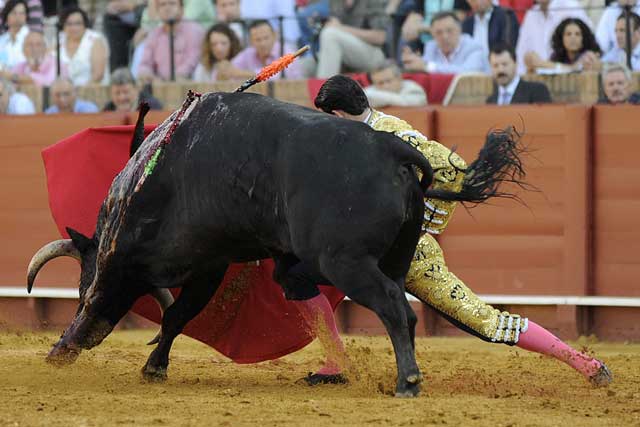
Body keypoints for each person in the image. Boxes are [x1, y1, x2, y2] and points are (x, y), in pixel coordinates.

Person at [304, 74, 613, 388]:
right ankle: (335, 362)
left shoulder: (390, 134)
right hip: (364, 252)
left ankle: (580, 361)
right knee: (295, 272)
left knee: (483, 320)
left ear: (337, 116)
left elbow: (451, 167)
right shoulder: (370, 132)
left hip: (407, 256)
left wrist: (418, 229)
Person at [314, 0, 388, 78]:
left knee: (330, 34)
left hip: (374, 54)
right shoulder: (335, 2)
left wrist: (341, 28)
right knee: (306, 65)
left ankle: (325, 88)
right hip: (346, 56)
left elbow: (380, 37)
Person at [516, 0, 593, 75]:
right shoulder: (531, 14)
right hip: (537, 83)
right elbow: (520, 62)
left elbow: (589, 55)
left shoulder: (570, 6)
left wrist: (543, 64)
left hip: (573, 81)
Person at [136, 0, 204, 83]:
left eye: (172, 3)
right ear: (158, 10)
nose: (167, 8)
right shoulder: (154, 34)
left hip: (189, 85)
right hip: (160, 86)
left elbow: (192, 61)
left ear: (181, 9)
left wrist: (171, 79)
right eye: (163, 5)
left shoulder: (194, 30)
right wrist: (148, 75)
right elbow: (144, 64)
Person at [402, 11, 489, 74]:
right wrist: (412, 63)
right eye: (439, 32)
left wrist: (428, 67)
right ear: (432, 34)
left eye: (449, 31)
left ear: (460, 30)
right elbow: (423, 68)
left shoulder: (474, 47)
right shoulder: (431, 46)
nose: (444, 37)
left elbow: (467, 73)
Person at [231, 19, 302, 80]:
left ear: (275, 36)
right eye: (258, 40)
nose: (263, 43)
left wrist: (247, 74)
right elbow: (232, 69)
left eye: (266, 38)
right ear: (251, 41)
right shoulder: (248, 53)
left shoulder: (287, 51)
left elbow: (280, 77)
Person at [525, 17, 602, 73]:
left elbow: (576, 69)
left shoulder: (590, 55)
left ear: (584, 38)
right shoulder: (556, 56)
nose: (573, 38)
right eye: (568, 34)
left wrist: (542, 63)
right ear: (561, 38)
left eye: (577, 34)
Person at [58, 6, 109, 85]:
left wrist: (79, 92)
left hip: (89, 91)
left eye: (78, 23)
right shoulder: (59, 39)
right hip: (62, 91)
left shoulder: (94, 40)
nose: (73, 27)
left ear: (85, 25)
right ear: (63, 26)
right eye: (69, 24)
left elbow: (98, 74)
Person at [486, 43, 552, 104]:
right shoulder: (490, 102)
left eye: (504, 64)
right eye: (495, 65)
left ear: (516, 64)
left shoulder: (537, 91)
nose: (500, 70)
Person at [364, 60, 428, 108]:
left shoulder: (413, 89)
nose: (385, 86)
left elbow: (410, 103)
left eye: (388, 81)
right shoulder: (369, 92)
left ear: (399, 78)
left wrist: (378, 97)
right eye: (380, 83)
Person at [0, 0, 29, 69]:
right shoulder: (2, 40)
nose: (18, 17)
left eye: (22, 13)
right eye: (14, 13)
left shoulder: (32, 39)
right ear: (6, 16)